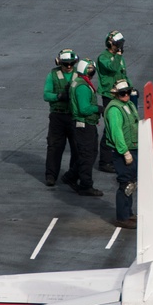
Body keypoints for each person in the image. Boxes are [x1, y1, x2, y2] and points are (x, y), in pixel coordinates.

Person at [61, 58, 103, 196]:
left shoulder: (78, 83)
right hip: (84, 125)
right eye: (90, 68)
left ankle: (70, 176)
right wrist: (98, 108)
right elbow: (84, 109)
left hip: (83, 125)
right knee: (87, 155)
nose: (92, 71)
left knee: (89, 153)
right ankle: (85, 185)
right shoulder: (83, 87)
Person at [104, 78, 139, 229]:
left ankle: (128, 213)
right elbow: (117, 133)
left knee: (131, 183)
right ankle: (122, 217)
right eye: (122, 93)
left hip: (133, 147)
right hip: (124, 151)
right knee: (125, 183)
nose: (126, 95)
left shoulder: (129, 104)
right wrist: (125, 152)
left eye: (127, 92)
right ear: (116, 94)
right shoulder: (114, 110)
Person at [97, 30, 131, 173]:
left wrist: (130, 88)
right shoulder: (103, 58)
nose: (120, 46)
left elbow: (123, 73)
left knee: (123, 125)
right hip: (110, 95)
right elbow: (113, 68)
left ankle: (117, 155)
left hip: (121, 93)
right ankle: (105, 161)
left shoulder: (119, 57)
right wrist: (117, 56)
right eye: (118, 44)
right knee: (110, 128)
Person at [43, 48, 78, 186]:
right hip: (58, 115)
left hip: (74, 116)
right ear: (59, 62)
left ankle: (73, 175)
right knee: (54, 147)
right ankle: (51, 175)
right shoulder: (52, 75)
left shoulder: (79, 75)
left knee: (77, 147)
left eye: (71, 64)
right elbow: (46, 95)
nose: (68, 67)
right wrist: (59, 96)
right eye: (65, 64)